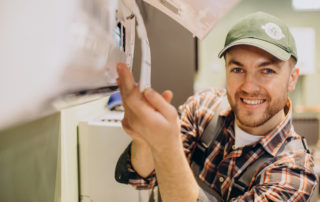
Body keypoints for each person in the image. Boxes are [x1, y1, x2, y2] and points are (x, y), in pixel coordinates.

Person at [115, 12, 318, 201]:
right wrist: (145, 140)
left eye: (267, 71)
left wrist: (166, 146)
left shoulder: (294, 172)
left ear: (292, 79)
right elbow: (142, 177)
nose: (248, 87)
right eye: (238, 69)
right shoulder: (204, 107)